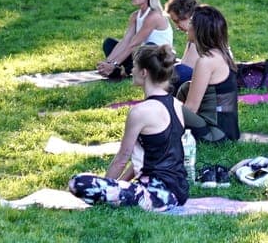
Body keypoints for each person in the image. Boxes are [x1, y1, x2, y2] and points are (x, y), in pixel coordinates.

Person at [69, 45, 188, 211]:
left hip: (157, 196)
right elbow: (150, 156)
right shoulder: (177, 104)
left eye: (134, 66)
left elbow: (121, 159)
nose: (131, 70)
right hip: (179, 191)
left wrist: (107, 186)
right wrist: (120, 184)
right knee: (113, 186)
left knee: (78, 182)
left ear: (144, 72)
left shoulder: (140, 112)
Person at [175, 5, 239, 143]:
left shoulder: (206, 61)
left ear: (199, 29)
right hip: (228, 131)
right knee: (186, 87)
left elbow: (191, 107)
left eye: (191, 22)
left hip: (215, 134)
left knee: (165, 105)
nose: (187, 27)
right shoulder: (222, 53)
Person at [98, 0, 173, 79]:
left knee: (148, 48)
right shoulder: (135, 15)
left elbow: (134, 44)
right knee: (109, 43)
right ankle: (115, 71)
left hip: (159, 59)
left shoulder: (153, 16)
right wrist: (107, 62)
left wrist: (114, 64)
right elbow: (126, 41)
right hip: (143, 54)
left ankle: (124, 70)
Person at [165, 0, 200, 87]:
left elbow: (187, 69)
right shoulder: (193, 34)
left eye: (177, 21)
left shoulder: (200, 34)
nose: (177, 27)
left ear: (188, 16)